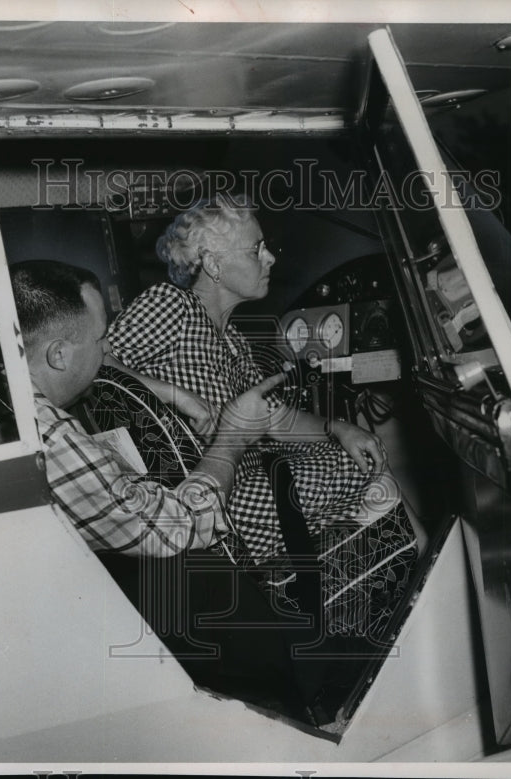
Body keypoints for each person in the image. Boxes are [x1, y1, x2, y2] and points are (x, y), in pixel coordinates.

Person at [0, 260, 341, 724]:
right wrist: (231, 435)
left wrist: (169, 395)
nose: (108, 349)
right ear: (57, 355)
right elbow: (173, 529)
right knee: (190, 580)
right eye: (100, 341)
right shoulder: (44, 438)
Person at [107, 195, 423, 637]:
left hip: (249, 482)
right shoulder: (169, 306)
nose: (269, 257)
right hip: (217, 496)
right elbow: (96, 365)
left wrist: (339, 428)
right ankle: (412, 588)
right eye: (255, 249)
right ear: (213, 265)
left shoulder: (232, 339)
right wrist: (173, 394)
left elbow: (274, 419)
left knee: (366, 459)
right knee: (372, 477)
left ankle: (373, 598)